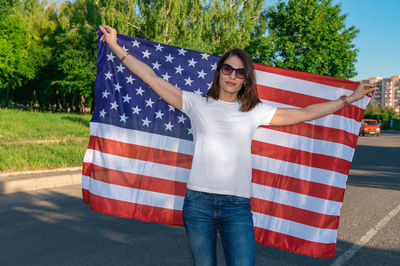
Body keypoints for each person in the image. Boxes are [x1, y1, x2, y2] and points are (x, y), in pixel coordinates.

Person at [99, 25, 376, 266]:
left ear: (246, 80)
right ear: (219, 71)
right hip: (198, 204)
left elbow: (303, 113)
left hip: (237, 207)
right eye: (228, 68)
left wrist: (348, 100)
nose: (232, 75)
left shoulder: (255, 111)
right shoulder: (196, 103)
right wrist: (115, 45)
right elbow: (151, 78)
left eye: (240, 72)